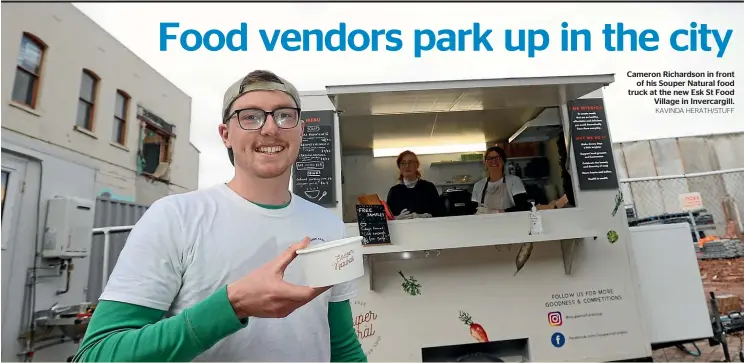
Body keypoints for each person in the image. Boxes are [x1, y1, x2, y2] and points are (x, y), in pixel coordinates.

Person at [74, 70, 366, 362]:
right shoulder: (175, 218)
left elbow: (342, 349)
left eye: (284, 116)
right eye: (250, 117)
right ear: (226, 135)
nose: (269, 129)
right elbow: (98, 354)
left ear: (301, 130)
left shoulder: (328, 226)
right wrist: (232, 305)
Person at [471, 146, 532, 214]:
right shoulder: (478, 186)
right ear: (485, 162)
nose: (494, 161)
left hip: (510, 222)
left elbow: (523, 206)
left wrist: (497, 212)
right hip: (486, 223)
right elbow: (473, 210)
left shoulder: (514, 181)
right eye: (490, 158)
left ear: (503, 161)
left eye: (497, 158)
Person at [385, 150, 444, 219]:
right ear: (399, 167)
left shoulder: (428, 187)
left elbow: (439, 213)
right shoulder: (394, 191)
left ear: (417, 165)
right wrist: (397, 218)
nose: (407, 166)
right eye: (403, 163)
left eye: (410, 162)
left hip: (426, 228)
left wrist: (423, 216)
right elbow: (388, 217)